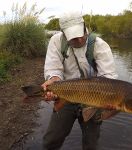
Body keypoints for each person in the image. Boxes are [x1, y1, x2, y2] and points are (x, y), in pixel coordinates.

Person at [41, 11, 118, 150]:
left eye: (80, 34)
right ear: (64, 34)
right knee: (51, 140)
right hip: (66, 95)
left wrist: (110, 99)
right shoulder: (56, 41)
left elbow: (108, 77)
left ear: (84, 26)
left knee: (91, 144)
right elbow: (53, 69)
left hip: (94, 98)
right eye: (73, 38)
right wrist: (53, 80)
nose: (80, 40)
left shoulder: (100, 45)